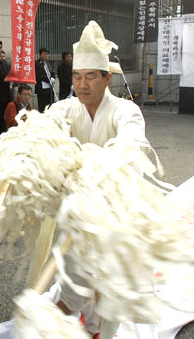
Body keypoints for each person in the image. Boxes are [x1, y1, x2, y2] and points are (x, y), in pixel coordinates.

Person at [50, 20, 149, 338]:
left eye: (90, 76)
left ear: (107, 79)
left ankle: (91, 327)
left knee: (106, 279)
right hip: (75, 210)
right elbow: (44, 130)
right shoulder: (65, 109)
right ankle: (76, 319)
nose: (82, 84)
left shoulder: (125, 111)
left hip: (112, 208)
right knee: (75, 270)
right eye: (77, 77)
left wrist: (104, 165)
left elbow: (131, 142)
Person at [35, 47, 56, 112]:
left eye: (47, 54)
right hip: (41, 88)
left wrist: (52, 78)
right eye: (44, 54)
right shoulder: (36, 63)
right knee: (42, 106)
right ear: (40, 55)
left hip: (49, 88)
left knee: (50, 105)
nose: (45, 56)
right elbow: (38, 75)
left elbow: (52, 72)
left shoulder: (48, 63)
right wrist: (48, 79)